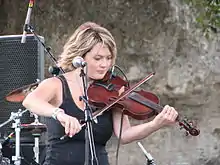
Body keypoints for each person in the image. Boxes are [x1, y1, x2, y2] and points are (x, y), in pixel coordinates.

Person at [22, 22, 178, 165]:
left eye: (109, 58)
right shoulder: (57, 84)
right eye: (97, 58)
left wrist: (155, 124)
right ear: (80, 56)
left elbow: (124, 134)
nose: (104, 64)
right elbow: (30, 100)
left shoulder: (113, 91)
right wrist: (59, 114)